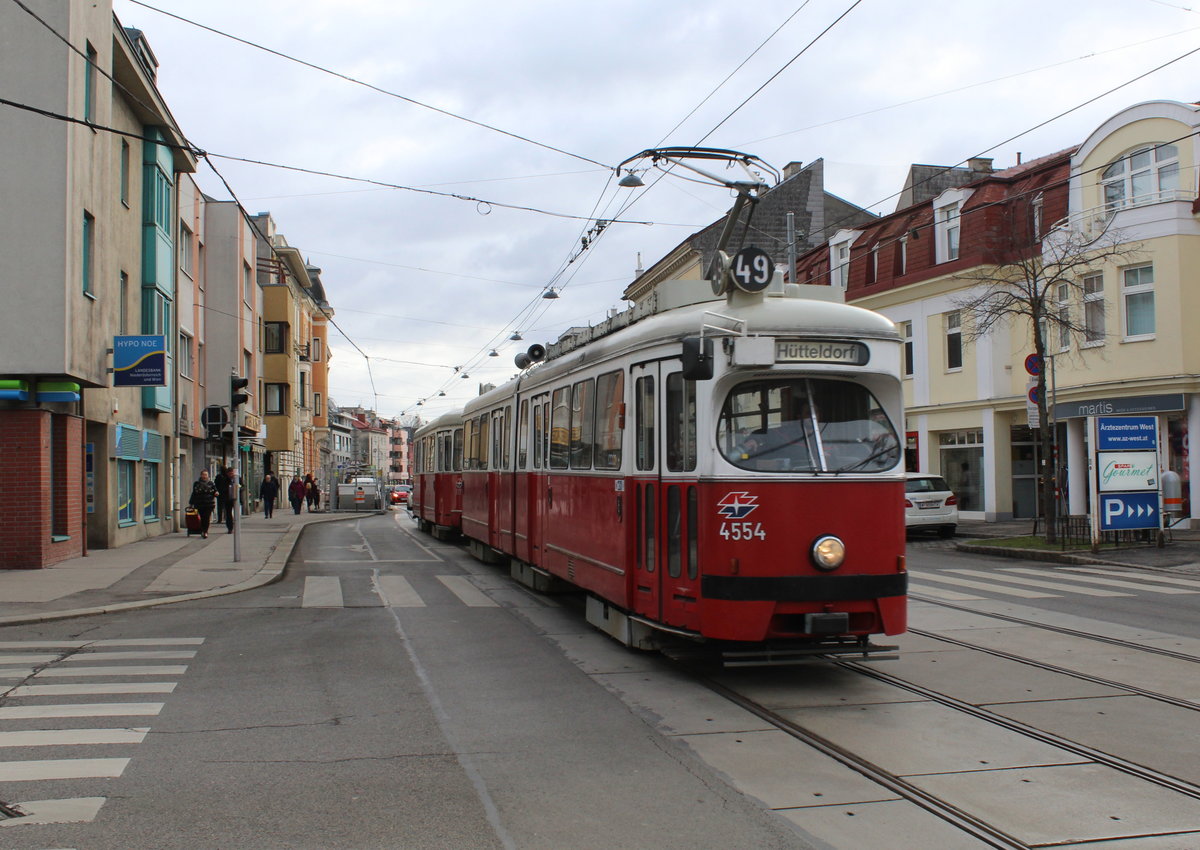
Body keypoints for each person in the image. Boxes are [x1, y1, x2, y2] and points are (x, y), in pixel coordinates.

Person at [188, 469, 218, 539]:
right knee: (201, 518)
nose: (204, 476)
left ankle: (205, 531)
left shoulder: (211, 483)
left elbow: (215, 491)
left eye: (206, 475)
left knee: (207, 518)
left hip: (209, 504)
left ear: (208, 476)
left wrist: (216, 493)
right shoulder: (196, 484)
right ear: (201, 475)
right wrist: (191, 503)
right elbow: (194, 493)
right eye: (203, 475)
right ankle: (202, 530)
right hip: (199, 503)